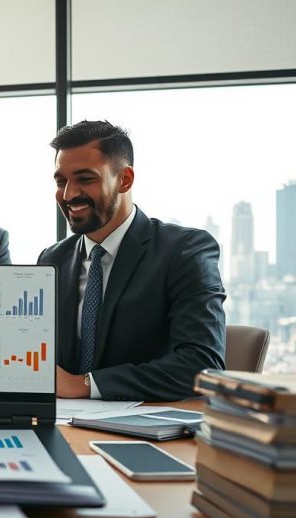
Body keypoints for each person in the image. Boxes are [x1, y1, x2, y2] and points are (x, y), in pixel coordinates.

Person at [38, 120, 225, 402]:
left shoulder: (184, 251)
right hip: (62, 420)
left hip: (147, 421)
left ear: (124, 179)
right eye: (61, 181)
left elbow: (203, 364)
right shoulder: (53, 259)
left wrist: (85, 385)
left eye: (85, 179)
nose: (69, 194)